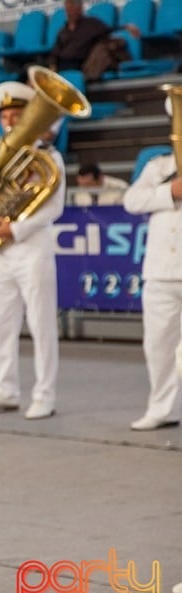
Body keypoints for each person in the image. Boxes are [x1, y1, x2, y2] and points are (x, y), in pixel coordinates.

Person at [0, 81, 64, 420]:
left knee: (41, 324)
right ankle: (5, 390)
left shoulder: (50, 157)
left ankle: (45, 394)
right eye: (5, 115)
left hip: (31, 250)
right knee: (2, 325)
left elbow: (53, 208)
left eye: (16, 115)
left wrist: (13, 229)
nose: (8, 121)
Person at [122, 96, 182, 432]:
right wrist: (170, 192)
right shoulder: (158, 166)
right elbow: (132, 200)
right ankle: (163, 408)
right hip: (159, 271)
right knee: (158, 344)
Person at [48, 0, 138, 80]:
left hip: (80, 65)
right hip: (62, 66)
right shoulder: (63, 30)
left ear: (79, 9)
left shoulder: (91, 24)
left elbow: (109, 30)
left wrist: (127, 27)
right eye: (67, 9)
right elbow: (55, 52)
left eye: (72, 8)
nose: (69, 12)